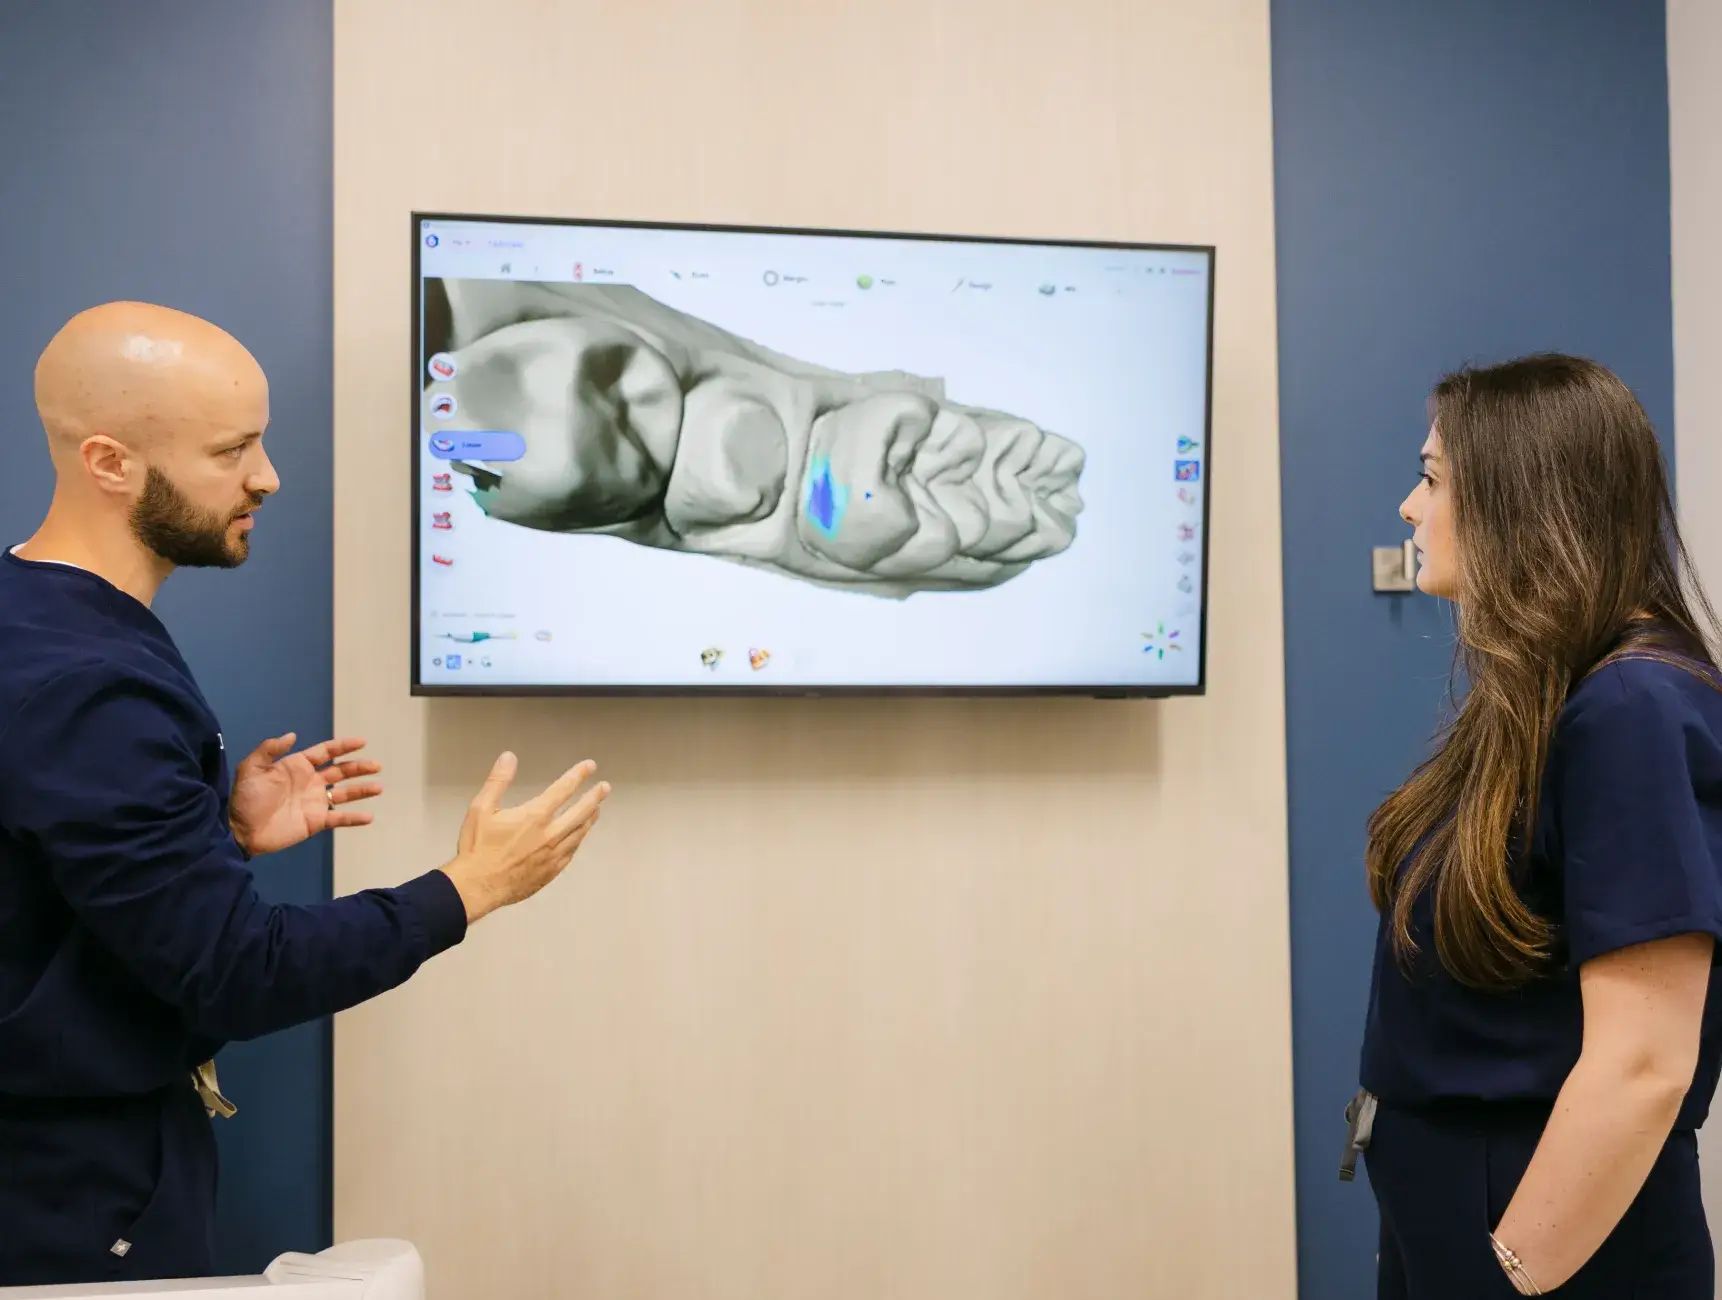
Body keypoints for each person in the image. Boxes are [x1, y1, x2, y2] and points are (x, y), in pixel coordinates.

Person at [0, 301, 610, 1287]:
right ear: (110, 463)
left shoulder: (32, 614)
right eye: (230, 451)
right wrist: (469, 887)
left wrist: (220, 835)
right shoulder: (89, 687)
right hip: (72, 1200)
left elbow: (49, 888)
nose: (268, 477)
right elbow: (237, 971)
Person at [1349, 354, 1722, 1297]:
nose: (1409, 507)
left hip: (1542, 1246)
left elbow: (1644, 1063)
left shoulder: (1633, 706)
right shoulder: (1552, 693)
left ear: (1519, 499)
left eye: (1433, 479)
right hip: (1464, 1212)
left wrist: (1505, 1271)